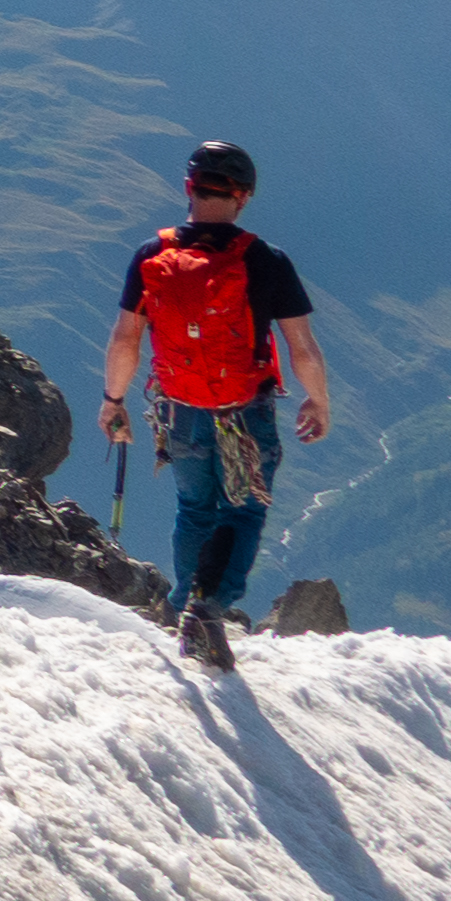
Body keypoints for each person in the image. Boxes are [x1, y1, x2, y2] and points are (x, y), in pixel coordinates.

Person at [105, 140, 331, 672]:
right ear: (243, 197)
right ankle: (210, 604)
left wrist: (113, 400)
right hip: (244, 411)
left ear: (189, 188)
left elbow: (125, 340)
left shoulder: (150, 256)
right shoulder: (264, 260)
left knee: (194, 509)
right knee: (244, 508)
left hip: (179, 408)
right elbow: (302, 348)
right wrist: (317, 399)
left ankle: (187, 605)